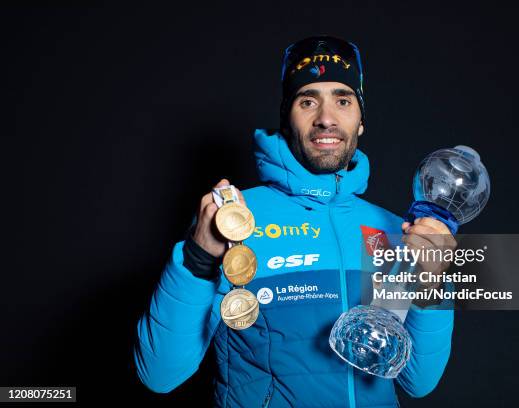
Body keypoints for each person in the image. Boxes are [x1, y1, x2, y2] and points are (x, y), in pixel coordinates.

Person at [134, 35, 456, 408]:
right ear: (287, 119)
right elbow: (159, 374)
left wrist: (435, 281)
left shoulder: (389, 229)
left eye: (343, 100)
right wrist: (197, 257)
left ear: (361, 121)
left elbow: (418, 380)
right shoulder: (233, 218)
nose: (326, 118)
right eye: (307, 101)